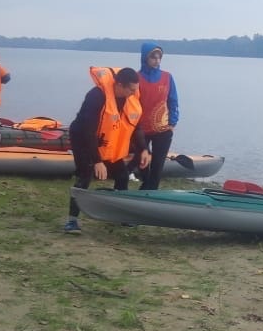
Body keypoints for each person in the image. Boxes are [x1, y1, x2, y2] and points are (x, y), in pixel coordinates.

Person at [63, 67, 150, 234]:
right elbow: (88, 131)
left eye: (135, 89)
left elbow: (136, 127)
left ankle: (121, 215)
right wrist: (97, 161)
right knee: (84, 176)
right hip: (83, 138)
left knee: (122, 176)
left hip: (108, 139)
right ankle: (72, 221)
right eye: (131, 89)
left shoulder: (130, 98)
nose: (134, 93)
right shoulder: (96, 96)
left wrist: (144, 149)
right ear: (119, 85)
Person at [133, 41, 179, 190]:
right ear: (145, 57)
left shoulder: (167, 77)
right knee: (142, 163)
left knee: (158, 165)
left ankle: (151, 192)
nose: (157, 60)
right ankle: (146, 185)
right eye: (153, 57)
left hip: (163, 130)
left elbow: (173, 101)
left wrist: (172, 123)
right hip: (140, 130)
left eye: (159, 57)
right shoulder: (136, 78)